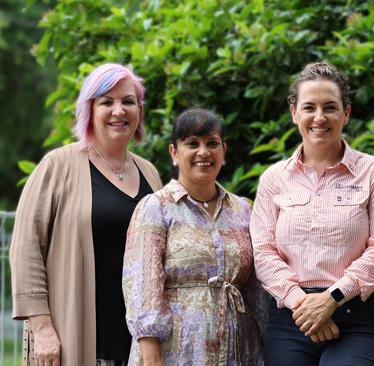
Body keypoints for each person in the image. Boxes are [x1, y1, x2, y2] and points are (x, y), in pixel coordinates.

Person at [9, 63, 163, 366]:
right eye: (106, 102)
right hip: (73, 337)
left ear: (140, 111)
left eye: (128, 101)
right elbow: (26, 249)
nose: (118, 110)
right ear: (89, 111)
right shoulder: (58, 166)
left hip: (137, 345)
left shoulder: (151, 174)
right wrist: (42, 330)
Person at [250, 62, 374, 365]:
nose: (319, 117)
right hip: (292, 318)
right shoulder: (273, 179)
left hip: (357, 317)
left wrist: (331, 299)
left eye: (330, 107)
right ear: (294, 113)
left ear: (346, 113)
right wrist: (303, 306)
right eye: (309, 107)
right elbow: (263, 253)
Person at [122, 108, 265, 365]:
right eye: (192, 144)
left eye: (212, 143)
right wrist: (150, 353)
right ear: (174, 153)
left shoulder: (243, 210)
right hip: (176, 353)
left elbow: (256, 289)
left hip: (238, 349)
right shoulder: (157, 207)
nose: (203, 152)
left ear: (224, 151)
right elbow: (143, 286)